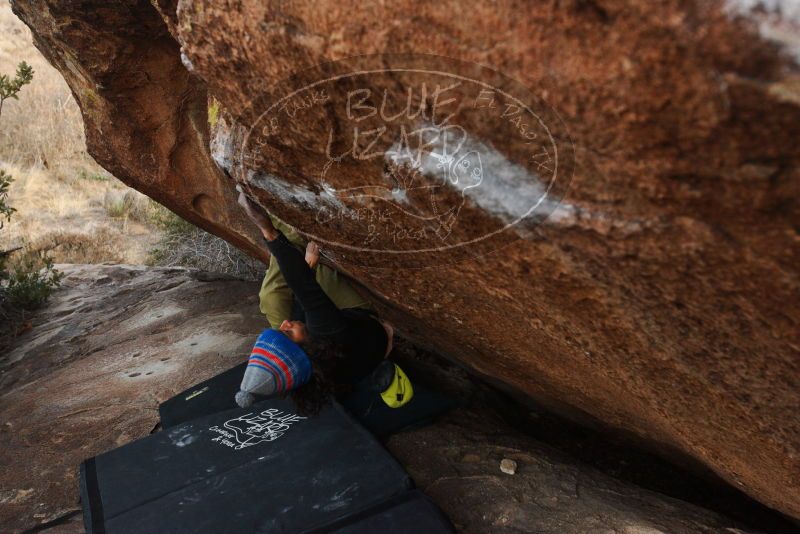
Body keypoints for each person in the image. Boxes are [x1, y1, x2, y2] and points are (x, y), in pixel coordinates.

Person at [235, 188, 404, 415]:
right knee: (314, 261)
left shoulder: (309, 375)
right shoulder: (328, 333)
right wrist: (267, 230)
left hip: (336, 338)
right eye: (286, 333)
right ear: (307, 350)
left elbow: (299, 312)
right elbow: (304, 288)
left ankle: (292, 248)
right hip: (355, 316)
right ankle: (289, 233)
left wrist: (306, 269)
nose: (284, 324)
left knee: (271, 299)